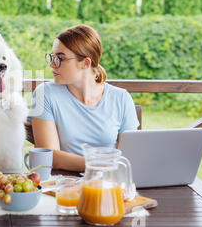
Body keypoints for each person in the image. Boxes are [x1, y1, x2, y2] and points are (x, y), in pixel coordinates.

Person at [29, 24, 139, 172]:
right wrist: (99, 165)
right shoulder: (44, 94)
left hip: (109, 184)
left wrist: (104, 168)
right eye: (52, 57)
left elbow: (130, 155)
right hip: (64, 184)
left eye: (60, 58)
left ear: (86, 63)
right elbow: (50, 157)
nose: (52, 64)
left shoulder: (121, 98)